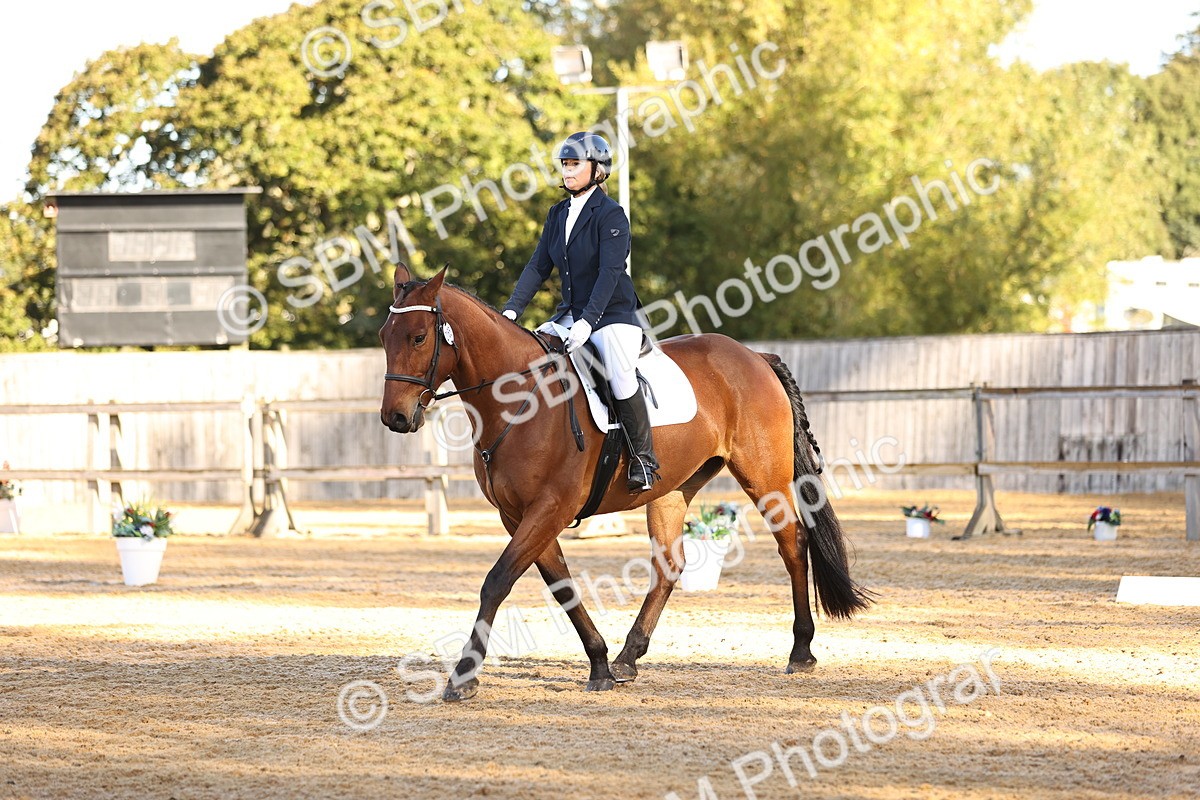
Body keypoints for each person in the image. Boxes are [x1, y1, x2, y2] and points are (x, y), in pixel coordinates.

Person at [501, 131, 660, 493]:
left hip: (614, 315)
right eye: (565, 164)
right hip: (571, 314)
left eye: (575, 164)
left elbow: (610, 272)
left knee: (619, 373)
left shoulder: (611, 214)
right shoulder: (557, 214)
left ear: (598, 170)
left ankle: (644, 460)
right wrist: (511, 311)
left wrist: (588, 321)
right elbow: (538, 266)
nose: (567, 171)